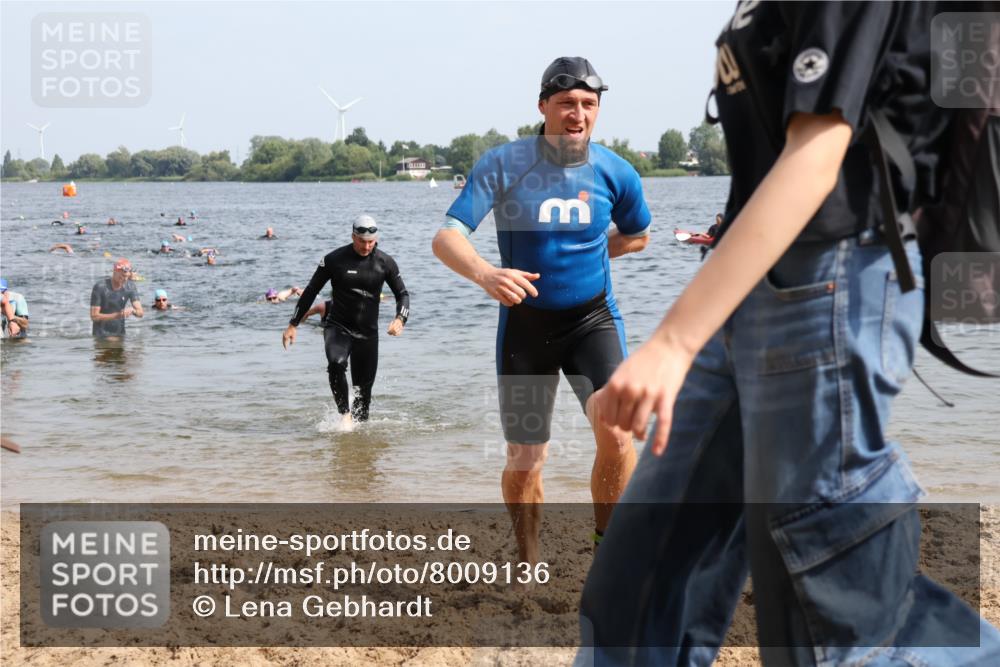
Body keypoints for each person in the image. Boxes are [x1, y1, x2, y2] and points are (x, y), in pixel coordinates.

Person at [578, 3, 1000, 665]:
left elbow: (818, 154)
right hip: (744, 290)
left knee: (829, 606)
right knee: (638, 581)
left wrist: (672, 342)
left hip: (829, 284)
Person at [432, 57, 652, 563]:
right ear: (543, 107)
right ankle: (527, 552)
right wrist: (486, 274)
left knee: (616, 433)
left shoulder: (616, 171)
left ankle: (609, 550)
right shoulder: (504, 164)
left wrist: (593, 252)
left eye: (588, 105)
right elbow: (446, 238)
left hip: (593, 320)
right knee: (527, 458)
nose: (578, 114)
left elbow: (638, 236)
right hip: (525, 329)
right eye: (567, 104)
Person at [282, 215, 409, 423]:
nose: (366, 246)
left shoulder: (385, 263)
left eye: (371, 242)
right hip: (338, 326)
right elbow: (312, 290)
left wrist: (400, 319)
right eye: (362, 241)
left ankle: (359, 448)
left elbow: (402, 294)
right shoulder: (334, 260)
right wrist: (293, 324)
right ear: (353, 236)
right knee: (336, 364)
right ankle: (344, 416)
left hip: (368, 335)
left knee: (363, 399)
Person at [90, 258, 143, 338]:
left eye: (127, 277)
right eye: (122, 276)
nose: (124, 280)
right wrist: (118, 315)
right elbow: (94, 316)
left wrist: (133, 311)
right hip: (101, 335)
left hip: (120, 334)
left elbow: (140, 313)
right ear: (114, 272)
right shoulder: (100, 287)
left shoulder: (130, 286)